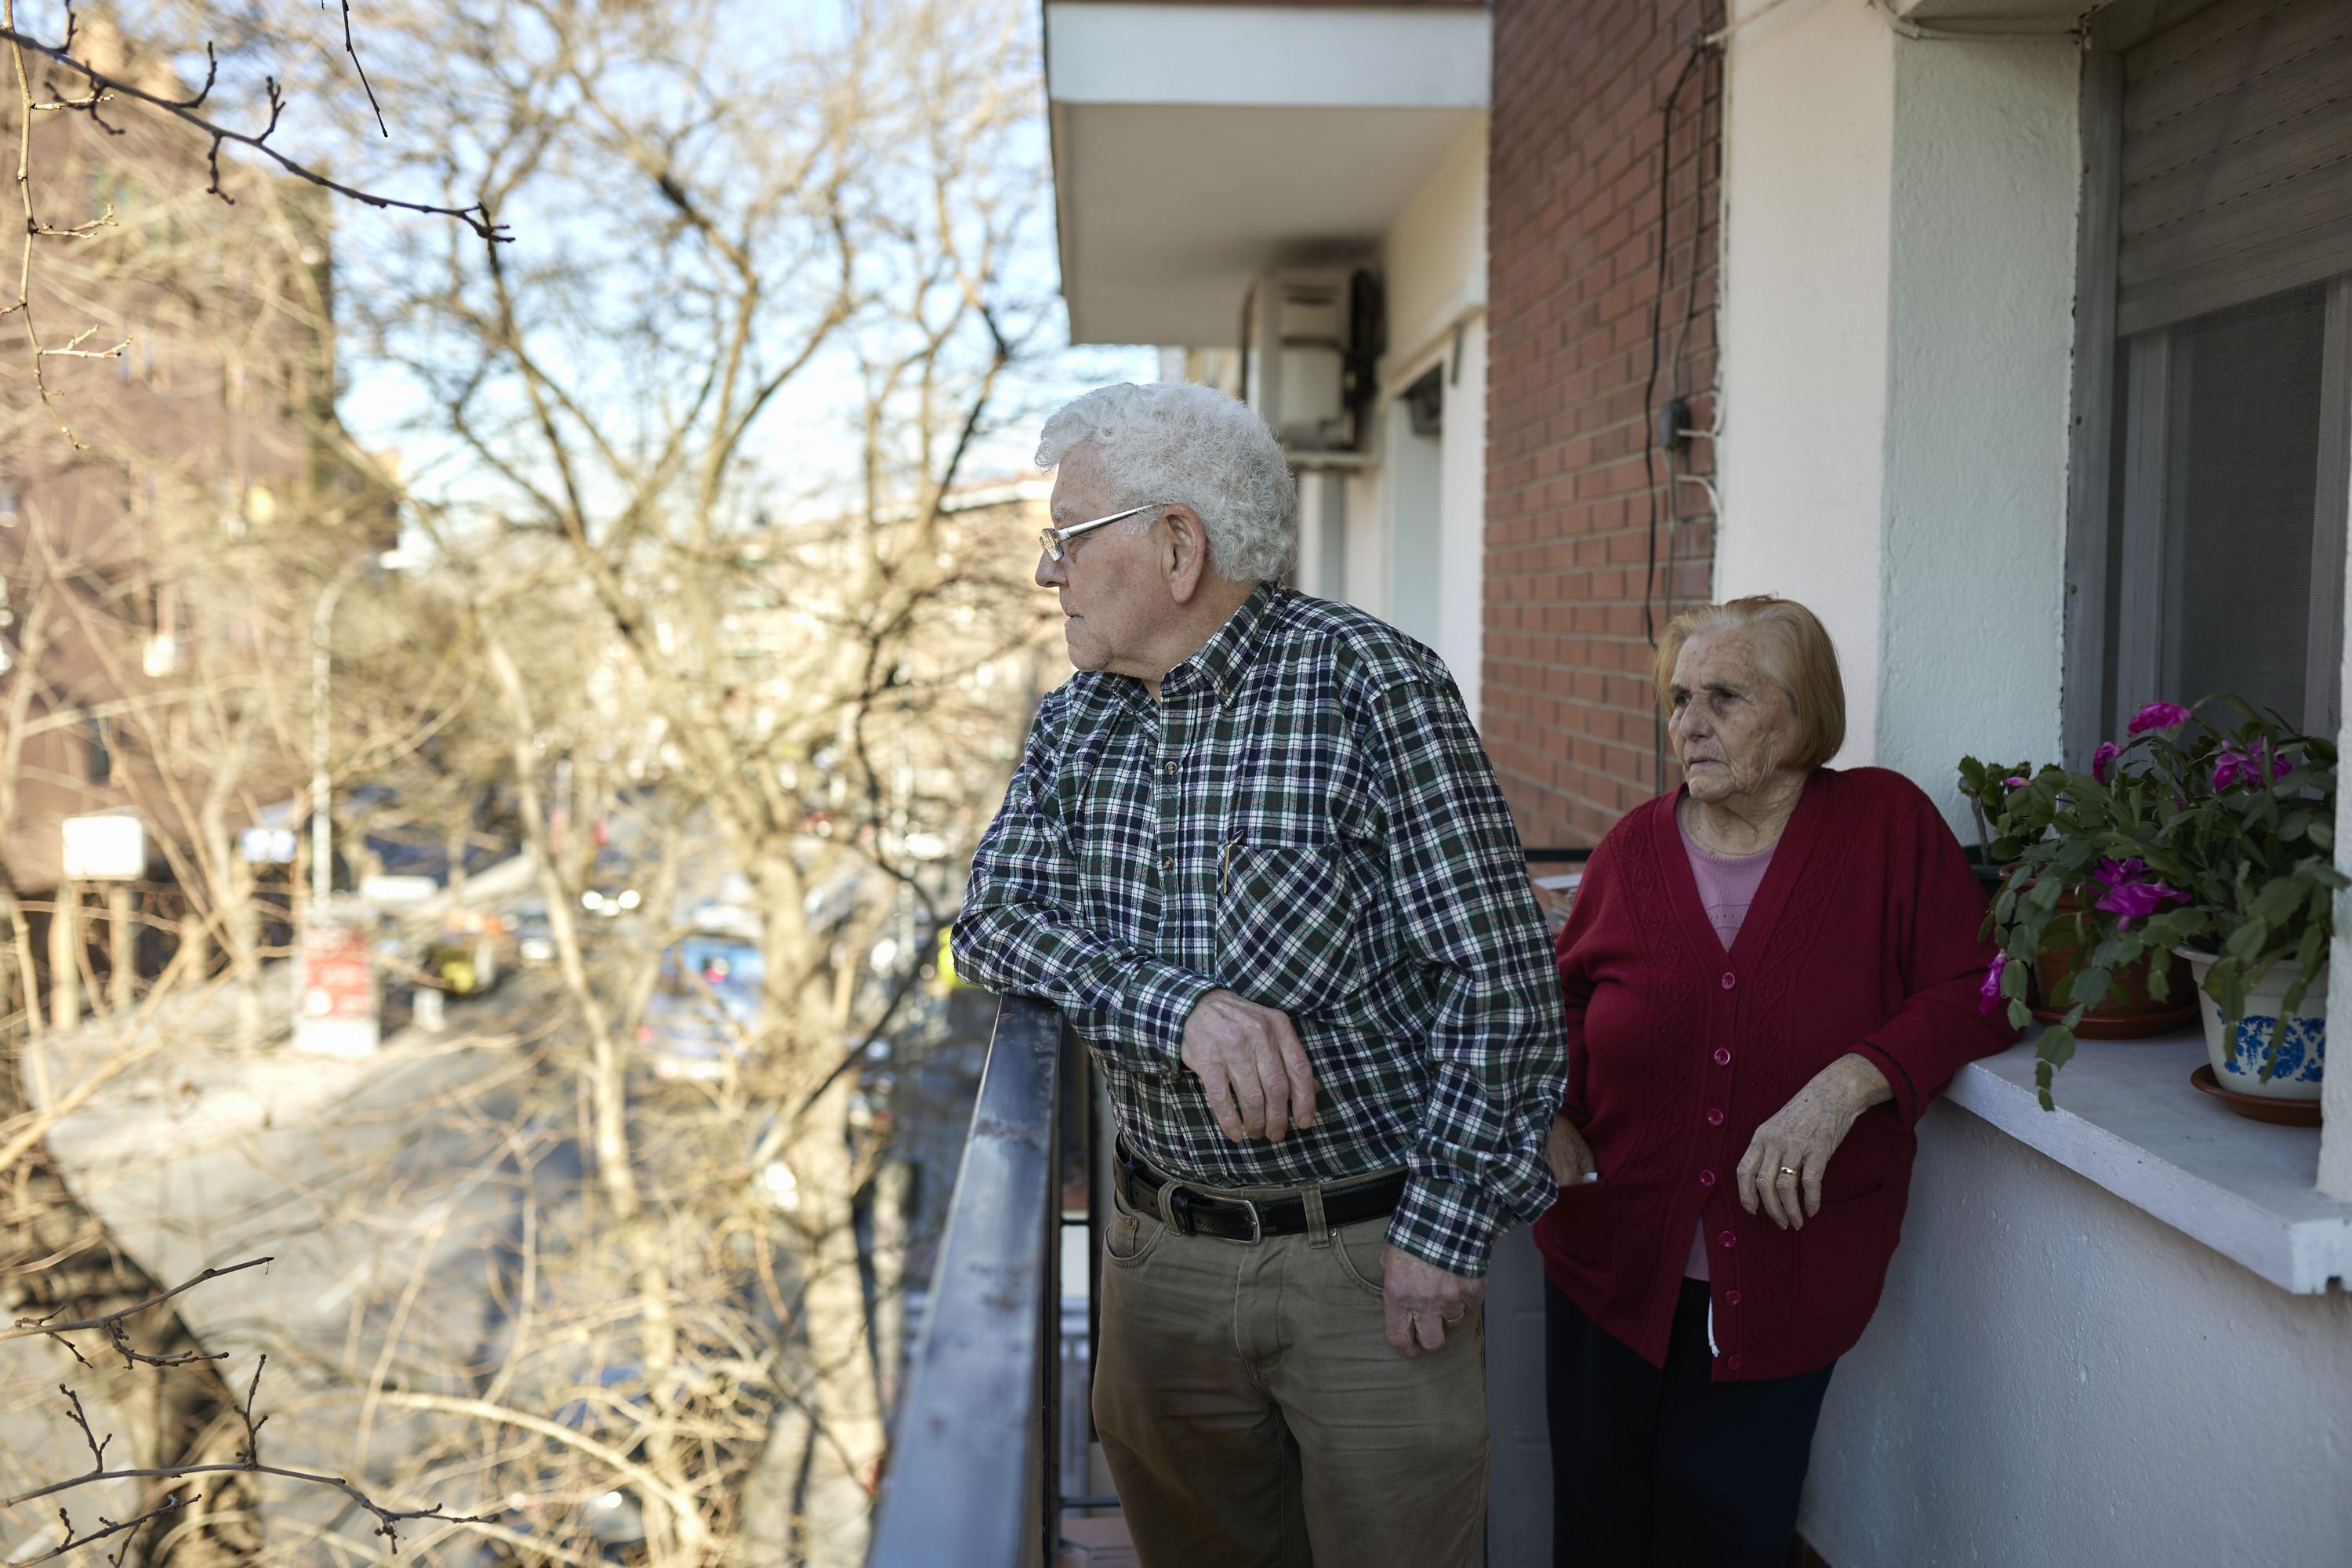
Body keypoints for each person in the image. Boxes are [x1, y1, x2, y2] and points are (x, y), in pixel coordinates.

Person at [955, 382, 1566, 1568]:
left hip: (1367, 1267)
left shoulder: (1372, 688)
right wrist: (1177, 1011)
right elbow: (993, 920)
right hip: (1153, 1260)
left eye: (1068, 538)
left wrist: (1444, 1233)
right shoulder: (1077, 721)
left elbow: (1500, 981)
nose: (1047, 574)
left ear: (1178, 545)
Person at [1536, 595, 2017, 1567]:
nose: (1689, 724)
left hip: (1786, 1262)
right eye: (1678, 699)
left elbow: (1983, 987)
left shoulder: (1886, 826)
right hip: (1610, 1249)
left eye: (1725, 696)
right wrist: (1548, 1109)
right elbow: (1563, 1000)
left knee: (1724, 1521)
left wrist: (1852, 1079)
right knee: (1598, 1514)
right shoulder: (1634, 847)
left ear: (1802, 715)